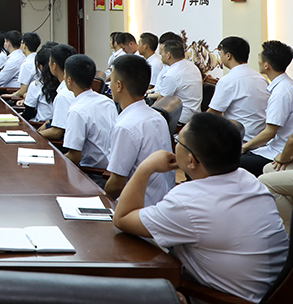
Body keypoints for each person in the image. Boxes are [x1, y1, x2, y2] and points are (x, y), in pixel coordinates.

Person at [113, 113, 288, 303]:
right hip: (268, 294)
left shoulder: (188, 203)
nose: (175, 145)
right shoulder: (249, 180)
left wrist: (145, 168)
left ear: (191, 160)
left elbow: (123, 218)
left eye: (178, 141)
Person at [104, 55, 173, 206]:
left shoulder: (126, 126)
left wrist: (99, 199)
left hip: (135, 207)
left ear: (119, 85)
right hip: (161, 201)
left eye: (112, 81)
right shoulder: (157, 116)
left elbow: (116, 184)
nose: (110, 85)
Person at [62, 55, 117, 186]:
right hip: (111, 171)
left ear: (69, 80)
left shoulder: (77, 110)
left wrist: (54, 161)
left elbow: (74, 157)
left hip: (91, 176)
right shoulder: (107, 101)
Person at [241, 40, 293, 176]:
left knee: (228, 164)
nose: (258, 60)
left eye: (259, 56)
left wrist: (244, 147)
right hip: (273, 148)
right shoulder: (286, 85)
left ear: (266, 65)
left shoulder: (281, 92)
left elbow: (270, 132)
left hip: (278, 153)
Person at [207, 36, 270, 142]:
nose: (220, 56)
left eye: (220, 53)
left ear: (228, 56)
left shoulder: (227, 81)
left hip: (239, 139)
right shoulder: (261, 79)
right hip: (261, 139)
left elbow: (212, 113)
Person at [147, 39, 202, 124]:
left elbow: (161, 101)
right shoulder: (192, 66)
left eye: (162, 52)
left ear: (168, 55)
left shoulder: (172, 74)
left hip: (181, 116)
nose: (161, 55)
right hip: (195, 112)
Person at [38, 44, 77, 141]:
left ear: (54, 66)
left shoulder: (63, 95)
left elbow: (57, 133)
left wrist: (33, 135)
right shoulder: (76, 86)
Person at [19, 42, 58, 122]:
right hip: (55, 124)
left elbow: (28, 114)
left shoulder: (36, 85)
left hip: (39, 125)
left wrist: (18, 116)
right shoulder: (62, 83)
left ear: (40, 66)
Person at [1, 32, 41, 101]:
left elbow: (22, 91)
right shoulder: (39, 59)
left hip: (30, 98)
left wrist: (10, 95)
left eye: (22, 43)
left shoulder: (26, 64)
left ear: (25, 46)